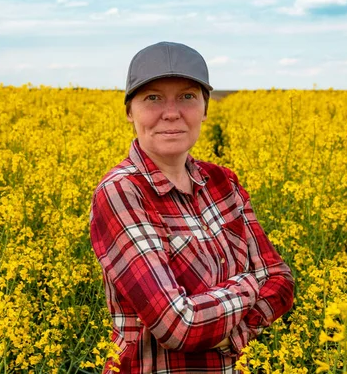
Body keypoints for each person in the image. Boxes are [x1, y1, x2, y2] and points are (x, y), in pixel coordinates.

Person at [89, 41, 295, 373]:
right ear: (130, 112)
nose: (171, 113)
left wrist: (235, 333)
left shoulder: (222, 182)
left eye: (187, 96)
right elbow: (178, 325)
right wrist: (249, 285)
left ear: (205, 108)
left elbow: (282, 280)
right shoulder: (121, 191)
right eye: (152, 98)